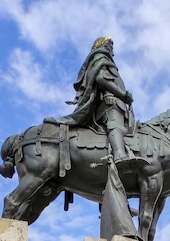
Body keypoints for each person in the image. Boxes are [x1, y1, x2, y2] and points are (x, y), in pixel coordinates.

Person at [44, 36, 135, 165]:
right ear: (103, 45)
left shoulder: (105, 60)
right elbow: (100, 78)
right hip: (109, 105)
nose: (112, 51)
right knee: (115, 126)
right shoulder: (101, 58)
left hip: (117, 105)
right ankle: (120, 156)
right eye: (110, 46)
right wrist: (122, 94)